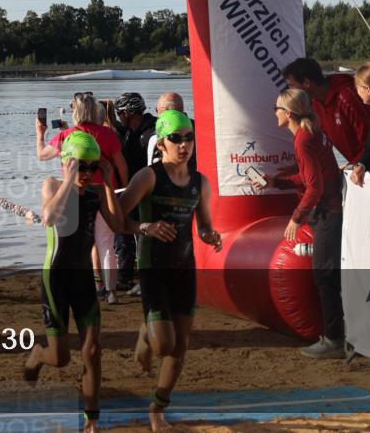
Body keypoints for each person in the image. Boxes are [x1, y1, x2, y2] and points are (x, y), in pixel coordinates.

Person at [116, 110, 222, 432]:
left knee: (180, 345)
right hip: (153, 268)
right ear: (161, 143)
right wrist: (143, 227)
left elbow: (203, 225)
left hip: (184, 269)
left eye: (189, 137)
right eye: (176, 138)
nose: (184, 144)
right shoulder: (148, 177)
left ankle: (157, 408)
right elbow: (119, 219)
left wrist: (210, 236)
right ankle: (146, 334)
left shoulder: (199, 182)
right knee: (163, 344)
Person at [23, 131, 134, 433]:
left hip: (84, 279)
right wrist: (70, 180)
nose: (87, 173)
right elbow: (48, 217)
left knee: (93, 351)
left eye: (92, 167)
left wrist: (109, 183)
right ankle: (37, 355)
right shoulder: (53, 185)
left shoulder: (96, 194)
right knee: (60, 358)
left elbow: (119, 225)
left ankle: (92, 419)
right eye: (81, 166)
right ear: (67, 163)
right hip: (55, 279)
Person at [254, 89, 344, 359]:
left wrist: (296, 217)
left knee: (325, 276)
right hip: (328, 211)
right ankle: (336, 335)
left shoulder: (303, 139)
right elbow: (312, 180)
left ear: (288, 113)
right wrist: (275, 182)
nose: (274, 112)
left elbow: (315, 186)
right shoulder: (312, 133)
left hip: (327, 212)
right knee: (328, 275)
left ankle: (334, 340)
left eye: (276, 108)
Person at [38, 94, 129, 302]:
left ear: (76, 113)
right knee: (107, 244)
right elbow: (121, 165)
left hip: (76, 194)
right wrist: (123, 189)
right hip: (107, 191)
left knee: (81, 242)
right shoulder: (108, 134)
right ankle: (112, 291)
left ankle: (97, 284)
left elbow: (42, 155)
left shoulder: (67, 135)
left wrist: (40, 134)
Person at [282, 58, 370, 164]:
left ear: (306, 83)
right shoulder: (316, 103)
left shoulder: (347, 96)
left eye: (291, 85)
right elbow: (324, 145)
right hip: (360, 167)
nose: (289, 91)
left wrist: (358, 164)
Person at [113, 92, 157, 294]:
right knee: (123, 232)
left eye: (121, 112)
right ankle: (126, 276)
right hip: (130, 189)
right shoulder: (129, 131)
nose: (119, 116)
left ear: (130, 113)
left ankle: (141, 277)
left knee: (142, 235)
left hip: (147, 190)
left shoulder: (150, 132)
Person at [147, 93, 197, 174]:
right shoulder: (199, 128)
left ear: (166, 111)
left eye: (157, 110)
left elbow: (152, 168)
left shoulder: (158, 136)